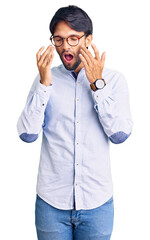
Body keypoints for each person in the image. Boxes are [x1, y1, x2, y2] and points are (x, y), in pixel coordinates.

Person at [17, 5, 133, 240]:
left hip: (97, 204)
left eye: (73, 38)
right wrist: (43, 85)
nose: (65, 46)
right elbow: (27, 134)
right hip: (51, 204)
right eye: (58, 40)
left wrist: (97, 85)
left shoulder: (113, 80)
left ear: (88, 39)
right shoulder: (45, 79)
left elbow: (120, 135)